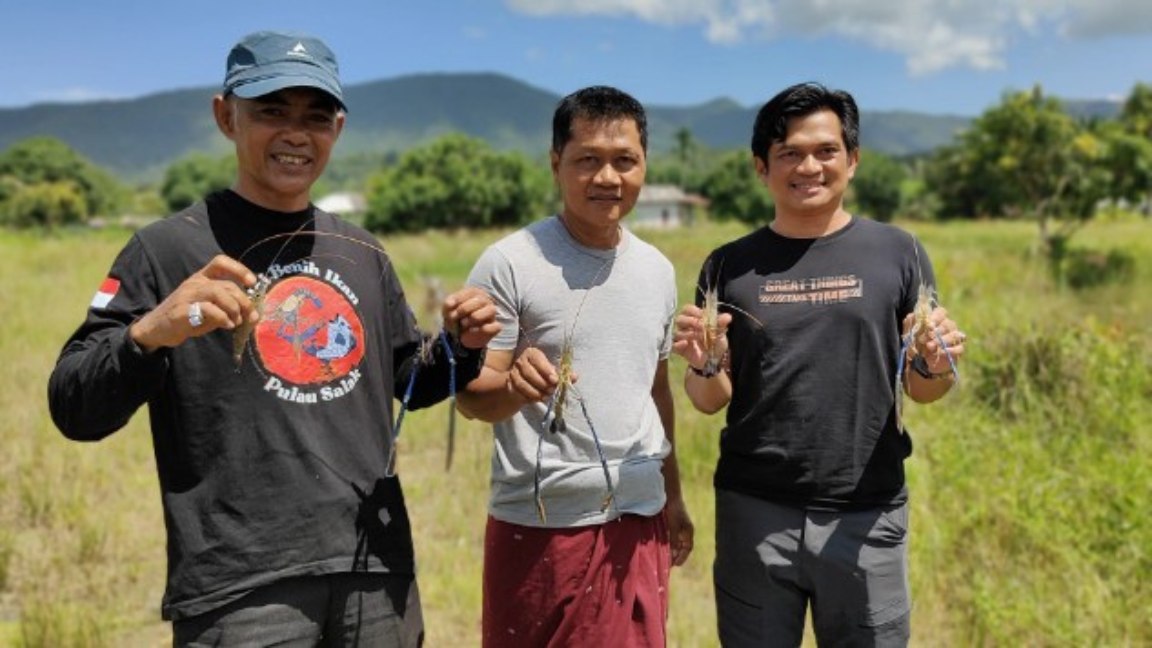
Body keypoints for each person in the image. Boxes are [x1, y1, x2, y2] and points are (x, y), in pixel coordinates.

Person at [47, 30, 499, 647]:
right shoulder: (167, 248)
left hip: (374, 571)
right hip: (241, 590)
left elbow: (409, 381)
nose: (295, 133)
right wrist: (152, 332)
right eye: (270, 111)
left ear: (337, 128)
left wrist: (459, 346)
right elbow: (73, 404)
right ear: (225, 116)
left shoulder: (362, 251)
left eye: (315, 117)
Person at [672, 82, 967, 647]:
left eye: (826, 151)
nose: (808, 166)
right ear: (762, 167)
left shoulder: (898, 252)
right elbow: (711, 398)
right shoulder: (728, 266)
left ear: (852, 160)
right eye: (789, 153)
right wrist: (704, 366)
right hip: (755, 512)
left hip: (867, 513)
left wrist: (935, 363)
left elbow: (924, 388)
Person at [456, 85, 694, 647]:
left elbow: (654, 392)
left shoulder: (657, 270)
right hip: (542, 527)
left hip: (639, 517)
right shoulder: (510, 263)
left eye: (624, 161)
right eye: (588, 159)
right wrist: (514, 389)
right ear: (556, 162)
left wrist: (675, 496)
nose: (607, 178)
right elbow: (471, 397)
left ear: (643, 165)